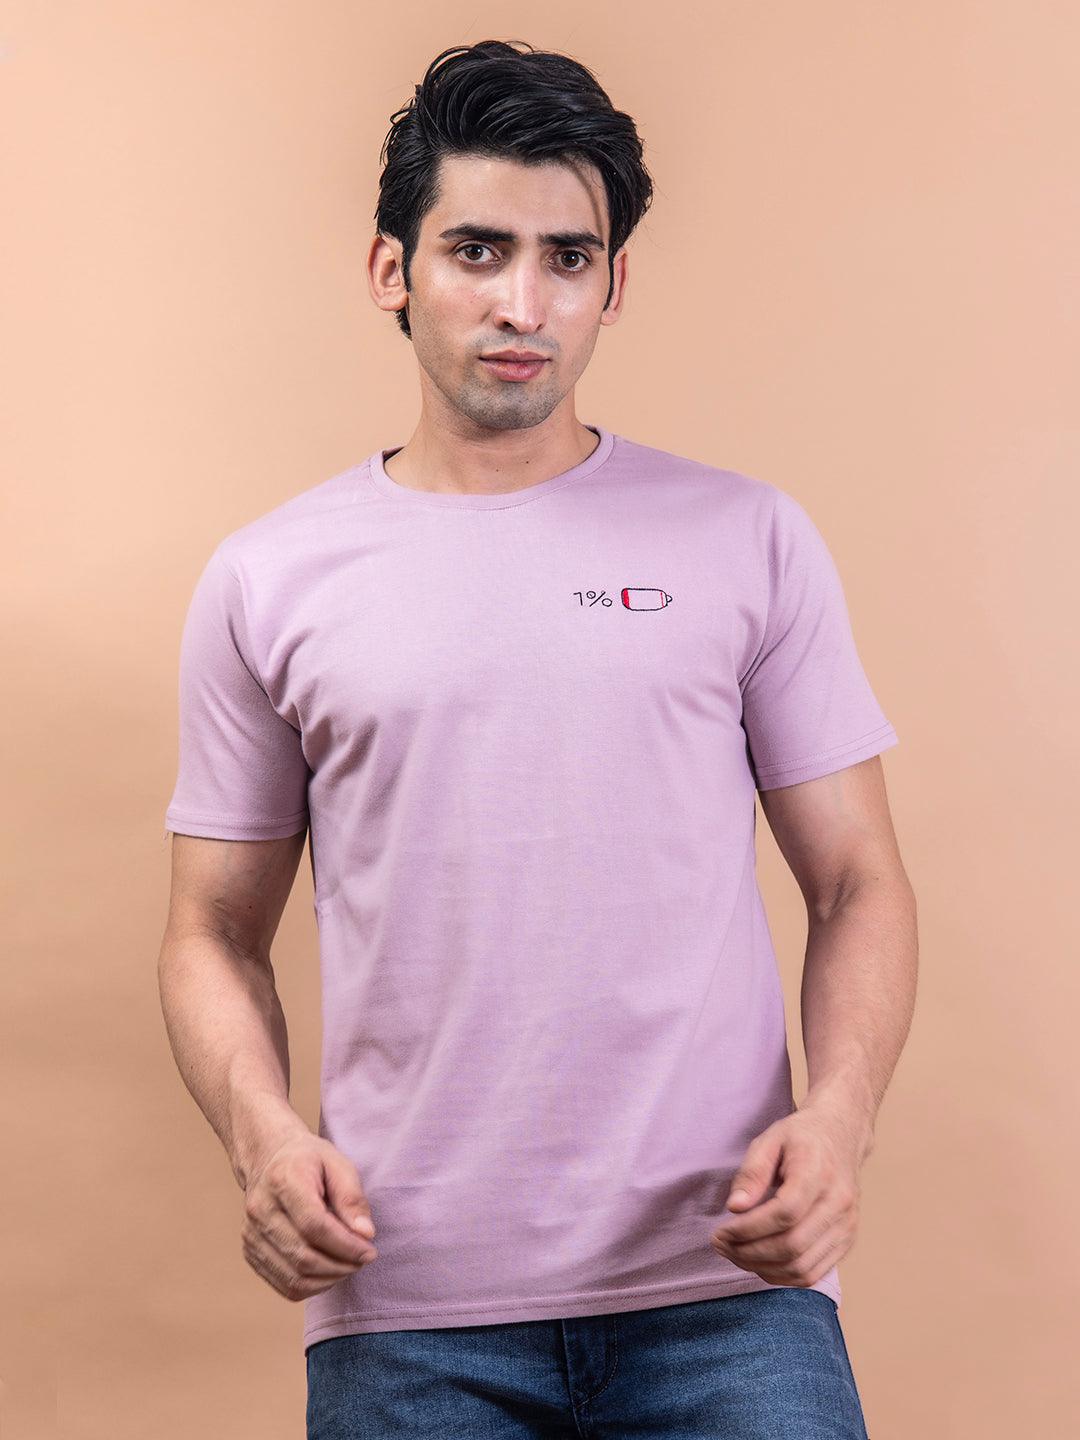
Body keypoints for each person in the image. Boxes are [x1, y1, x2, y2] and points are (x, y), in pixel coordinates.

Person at [158, 38, 918, 1439]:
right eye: (477, 250)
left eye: (568, 258)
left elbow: (859, 881)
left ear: (614, 285)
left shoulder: (747, 538)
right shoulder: (268, 580)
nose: (523, 302)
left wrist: (840, 1121)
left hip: (730, 1295)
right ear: (392, 270)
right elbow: (210, 929)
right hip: (407, 1312)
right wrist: (262, 1139)